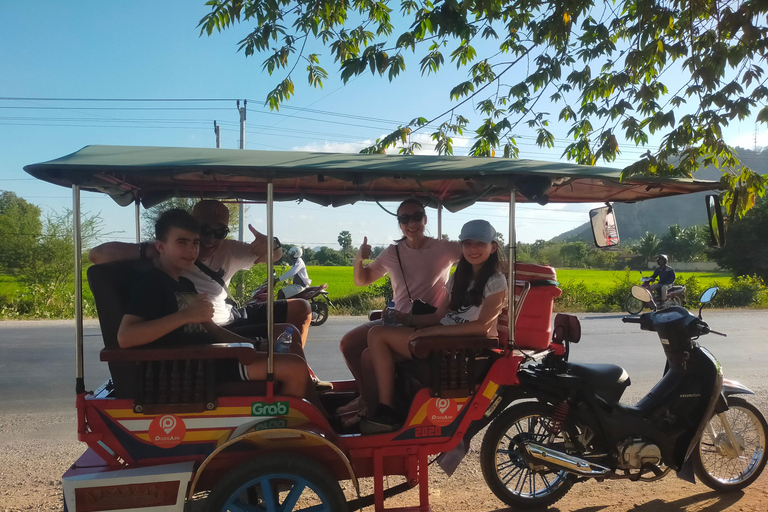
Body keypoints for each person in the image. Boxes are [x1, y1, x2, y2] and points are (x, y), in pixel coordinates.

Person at [118, 208, 320, 405]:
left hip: (210, 353)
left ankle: (321, 417)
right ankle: (307, 428)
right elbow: (125, 337)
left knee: (290, 353)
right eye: (182, 242)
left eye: (195, 243)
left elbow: (212, 329)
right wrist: (185, 316)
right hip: (189, 366)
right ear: (160, 247)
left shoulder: (184, 284)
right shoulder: (152, 284)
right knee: (293, 367)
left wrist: (251, 346)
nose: (191, 250)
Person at [89, 200, 313, 347]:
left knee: (301, 309)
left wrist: (271, 243)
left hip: (227, 316)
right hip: (210, 327)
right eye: (203, 230)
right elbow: (96, 255)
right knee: (286, 339)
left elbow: (273, 256)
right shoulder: (168, 260)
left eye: (220, 232)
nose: (210, 239)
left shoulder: (228, 250)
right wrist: (148, 250)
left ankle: (299, 376)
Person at [358, 219, 507, 434]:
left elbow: (481, 327)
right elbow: (439, 315)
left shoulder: (496, 281)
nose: (473, 249)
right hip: (440, 340)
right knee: (367, 356)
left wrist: (433, 331)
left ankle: (387, 412)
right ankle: (374, 411)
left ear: (493, 247)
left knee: (376, 334)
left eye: (480, 244)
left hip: (458, 347)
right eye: (467, 244)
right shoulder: (459, 277)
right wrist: (405, 319)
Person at [337, 199, 462, 417]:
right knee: (348, 344)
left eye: (416, 217)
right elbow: (363, 280)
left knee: (368, 354)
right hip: (395, 321)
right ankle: (366, 397)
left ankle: (373, 404)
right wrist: (359, 259)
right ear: (399, 223)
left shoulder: (444, 248)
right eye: (404, 219)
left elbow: (476, 256)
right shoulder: (392, 252)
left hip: (423, 322)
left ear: (424, 219)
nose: (411, 223)